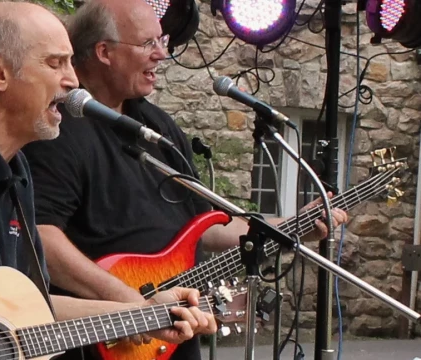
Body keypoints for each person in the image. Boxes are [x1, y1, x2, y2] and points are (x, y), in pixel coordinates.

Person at [0, 2, 217, 359]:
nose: (73, 81)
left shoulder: (19, 177)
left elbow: (31, 310)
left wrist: (143, 313)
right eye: (54, 63)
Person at [21, 0, 349, 359]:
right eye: (148, 43)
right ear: (104, 52)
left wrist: (287, 227)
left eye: (162, 40)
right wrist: (132, 303)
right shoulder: (56, 128)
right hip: (100, 340)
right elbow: (40, 236)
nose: (162, 54)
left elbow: (203, 225)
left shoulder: (157, 127)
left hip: (172, 332)